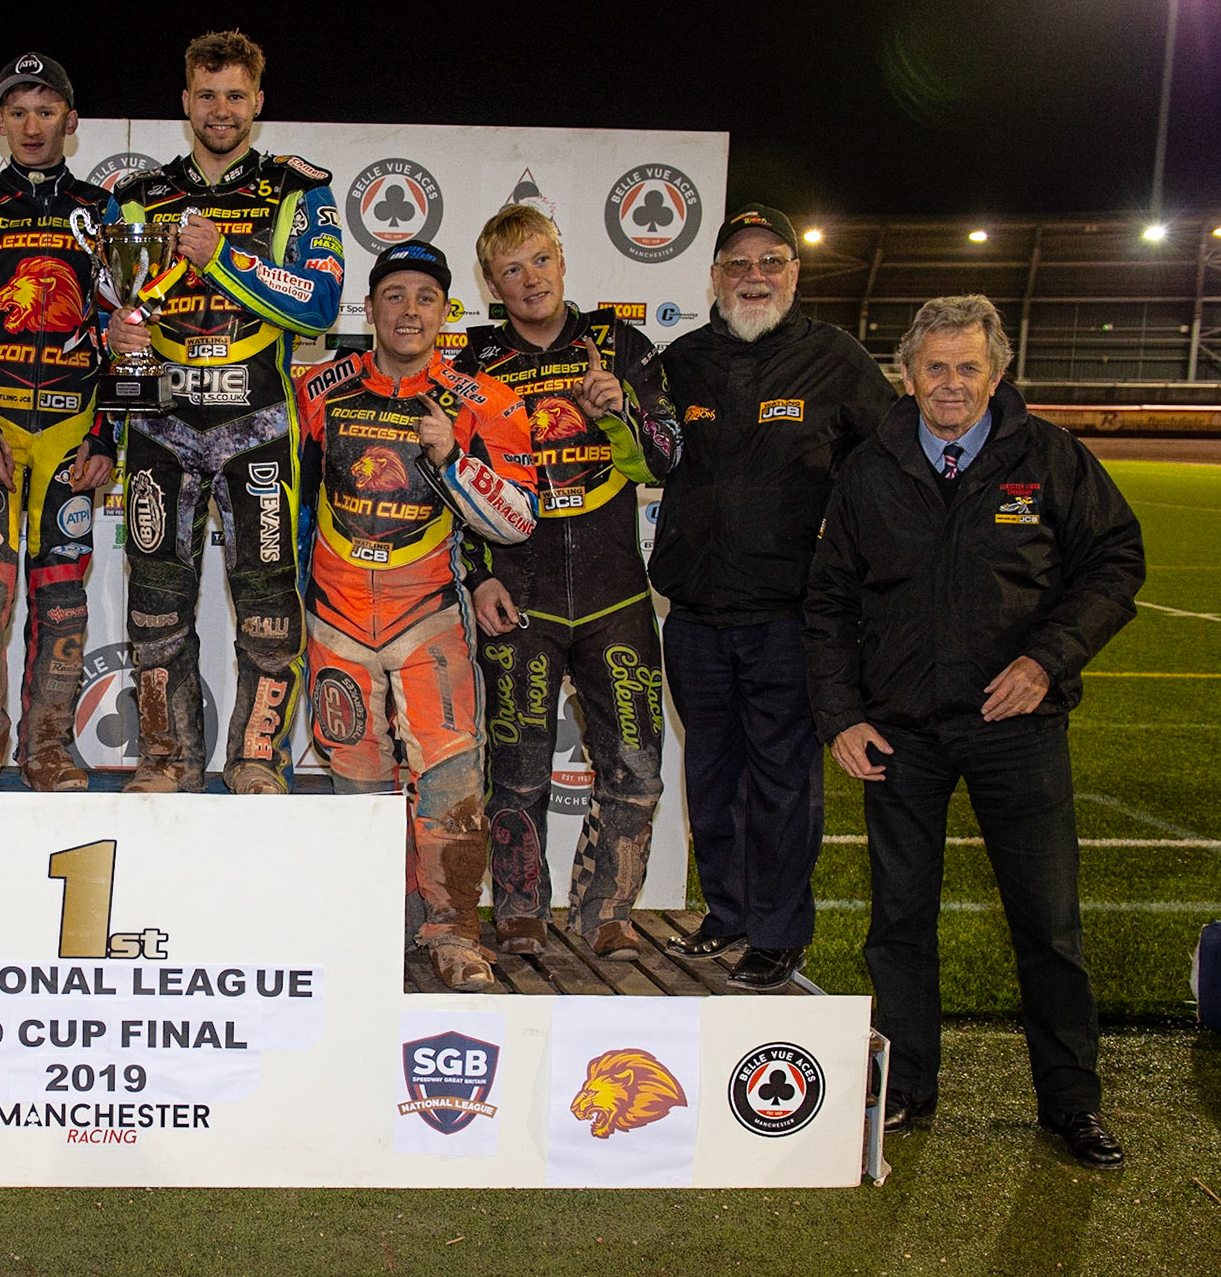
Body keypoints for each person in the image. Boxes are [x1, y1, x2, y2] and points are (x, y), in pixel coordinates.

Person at [806, 295, 1142, 1167]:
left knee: (1048, 924)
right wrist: (841, 714)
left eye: (968, 368)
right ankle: (909, 1087)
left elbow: (1114, 561)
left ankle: (1070, 1103)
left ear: (996, 374)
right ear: (907, 375)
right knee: (900, 922)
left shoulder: (1049, 456)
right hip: (902, 735)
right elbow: (829, 601)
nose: (950, 383)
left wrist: (1048, 661)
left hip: (1016, 728)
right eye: (934, 367)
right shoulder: (870, 468)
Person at [652, 203, 893, 990]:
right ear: (716, 275)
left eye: (772, 262)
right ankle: (726, 912)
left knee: (784, 780)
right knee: (711, 775)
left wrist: (849, 570)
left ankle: (781, 930)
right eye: (739, 262)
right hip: (692, 615)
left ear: (795, 272)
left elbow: (886, 472)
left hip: (787, 617)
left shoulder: (837, 360)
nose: (755, 276)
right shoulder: (679, 360)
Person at [107, 29, 343, 794]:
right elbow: (104, 302)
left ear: (258, 104)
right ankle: (166, 758)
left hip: (259, 423)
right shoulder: (137, 197)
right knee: (154, 602)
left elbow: (322, 306)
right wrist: (112, 329)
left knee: (269, 602)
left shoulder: (298, 189)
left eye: (235, 95)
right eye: (206, 95)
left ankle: (256, 758)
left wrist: (226, 258)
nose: (220, 109)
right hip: (159, 423)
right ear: (184, 103)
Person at [296, 241, 537, 992]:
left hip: (428, 612)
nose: (409, 310)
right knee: (356, 777)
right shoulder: (317, 388)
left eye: (425, 298)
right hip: (335, 615)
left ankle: (454, 931)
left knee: (447, 780)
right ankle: (375, 921)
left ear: (446, 311)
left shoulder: (484, 401)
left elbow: (518, 519)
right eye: (393, 296)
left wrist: (452, 455)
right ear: (370, 310)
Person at [455, 204, 683, 961]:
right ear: (492, 282)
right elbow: (453, 481)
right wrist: (480, 573)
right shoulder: (475, 358)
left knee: (637, 761)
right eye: (512, 269)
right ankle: (520, 907)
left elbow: (662, 462)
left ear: (562, 260)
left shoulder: (619, 344)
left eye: (540, 261)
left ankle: (608, 910)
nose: (530, 280)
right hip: (521, 591)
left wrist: (618, 412)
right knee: (516, 765)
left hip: (615, 587)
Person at [0, 54, 119, 793]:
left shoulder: (104, 214)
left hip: (74, 432)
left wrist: (105, 435)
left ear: (70, 122)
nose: (32, 125)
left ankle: (47, 748)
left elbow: (124, 329)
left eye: (47, 111)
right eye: (18, 111)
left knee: (63, 595)